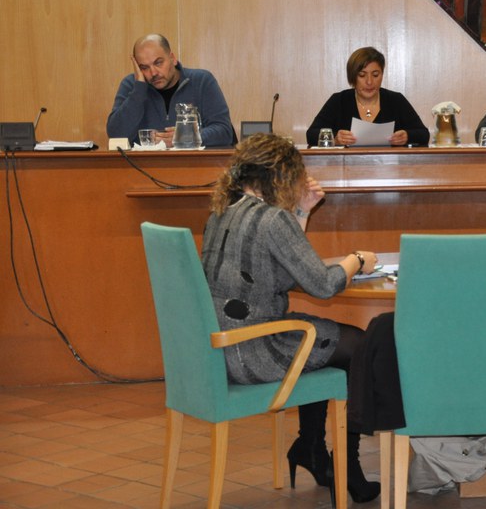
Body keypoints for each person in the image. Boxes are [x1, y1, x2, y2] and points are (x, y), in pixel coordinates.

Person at [200, 133, 389, 504]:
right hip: (251, 352)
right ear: (280, 177)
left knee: (323, 339)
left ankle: (311, 448)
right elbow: (322, 285)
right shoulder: (271, 219)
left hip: (220, 349)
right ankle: (344, 464)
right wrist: (357, 260)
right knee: (358, 346)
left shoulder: (222, 212)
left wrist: (301, 213)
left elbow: (285, 273)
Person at [107, 33, 235, 147]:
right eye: (144, 68)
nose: (153, 73)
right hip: (143, 165)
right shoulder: (132, 85)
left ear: (172, 59)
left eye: (158, 63)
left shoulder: (201, 81)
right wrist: (139, 90)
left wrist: (186, 137)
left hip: (195, 164)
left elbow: (224, 131)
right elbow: (116, 136)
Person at [305, 47, 429, 147]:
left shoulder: (396, 100)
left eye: (375, 75)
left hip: (390, 166)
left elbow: (423, 134)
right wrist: (335, 138)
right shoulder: (339, 101)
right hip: (346, 167)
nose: (369, 82)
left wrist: (407, 136)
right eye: (362, 75)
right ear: (353, 77)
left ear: (382, 75)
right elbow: (311, 134)